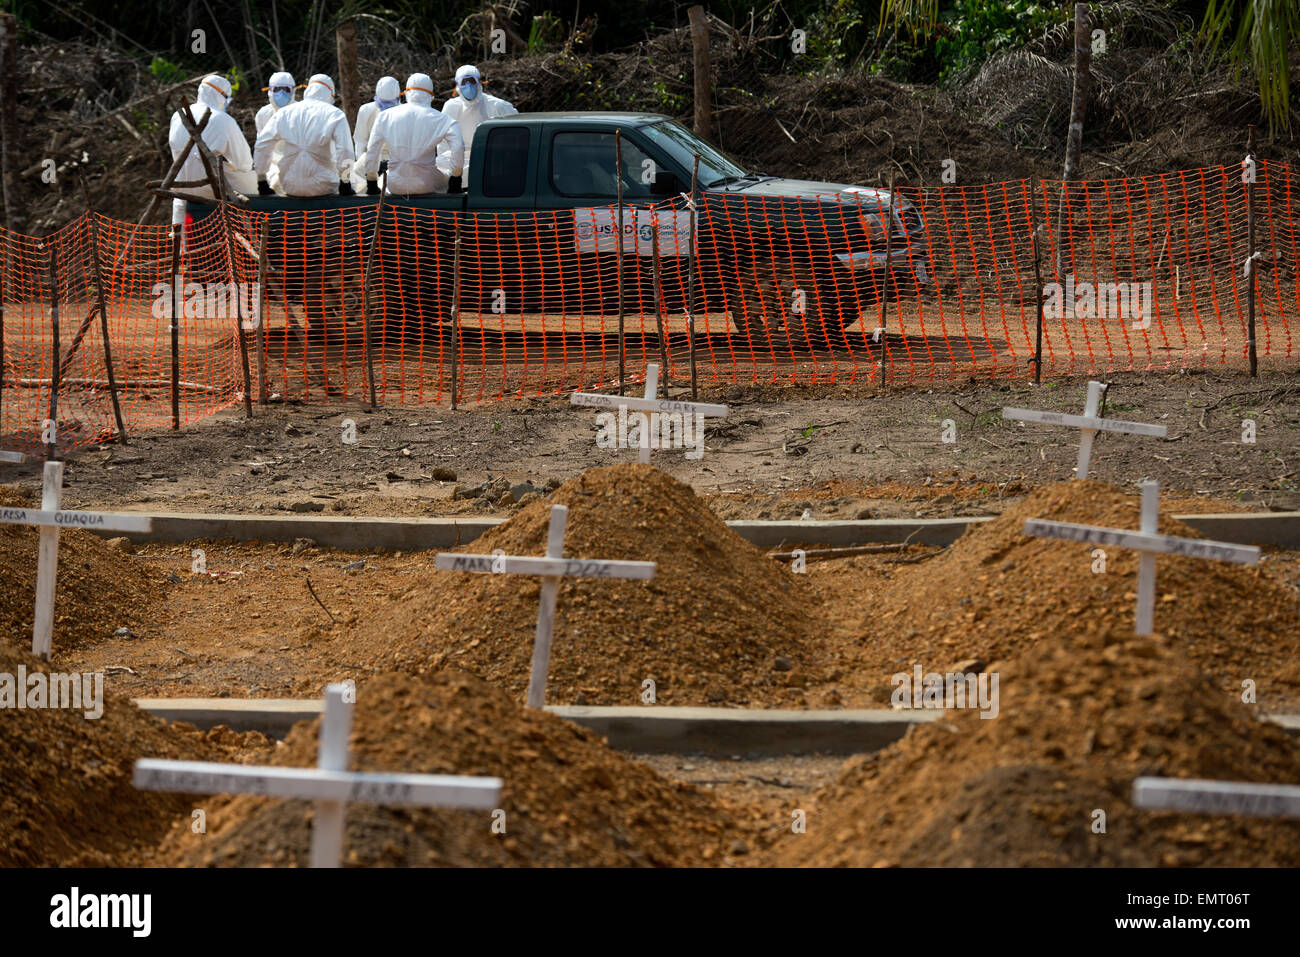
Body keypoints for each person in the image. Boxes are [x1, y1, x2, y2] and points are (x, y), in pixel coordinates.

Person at [167, 74, 256, 225]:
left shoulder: (177, 116)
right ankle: (246, 226)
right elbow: (243, 162)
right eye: (227, 98)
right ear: (220, 95)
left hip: (182, 188)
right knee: (249, 177)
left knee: (181, 240)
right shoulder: (223, 119)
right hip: (212, 189)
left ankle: (181, 245)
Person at [362, 73, 463, 196]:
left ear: (406, 92)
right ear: (430, 95)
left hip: (395, 185)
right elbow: (458, 146)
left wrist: (371, 180)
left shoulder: (384, 116)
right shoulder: (443, 119)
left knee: (382, 180)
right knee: (445, 177)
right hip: (427, 184)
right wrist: (456, 178)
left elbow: (373, 148)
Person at [254, 74, 354, 197]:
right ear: (330, 94)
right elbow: (345, 150)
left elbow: (262, 144)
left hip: (289, 185)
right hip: (324, 186)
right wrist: (345, 181)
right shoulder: (335, 114)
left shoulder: (284, 113)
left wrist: (262, 179)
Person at [439, 64, 516, 183]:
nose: (468, 86)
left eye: (472, 81)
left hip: (488, 158)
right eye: (464, 82)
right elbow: (443, 142)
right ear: (457, 85)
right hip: (460, 158)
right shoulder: (451, 107)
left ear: (479, 83)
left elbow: (515, 132)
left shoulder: (497, 105)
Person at [349, 76, 400, 193]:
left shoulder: (404, 112)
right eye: (383, 103)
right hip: (369, 159)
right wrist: (363, 163)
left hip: (395, 162)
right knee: (353, 181)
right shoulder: (366, 110)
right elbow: (360, 140)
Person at [254, 71, 297, 136]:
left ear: (293, 91)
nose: (281, 93)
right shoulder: (263, 115)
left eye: (286, 89)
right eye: (277, 89)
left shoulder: (301, 114)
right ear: (270, 90)